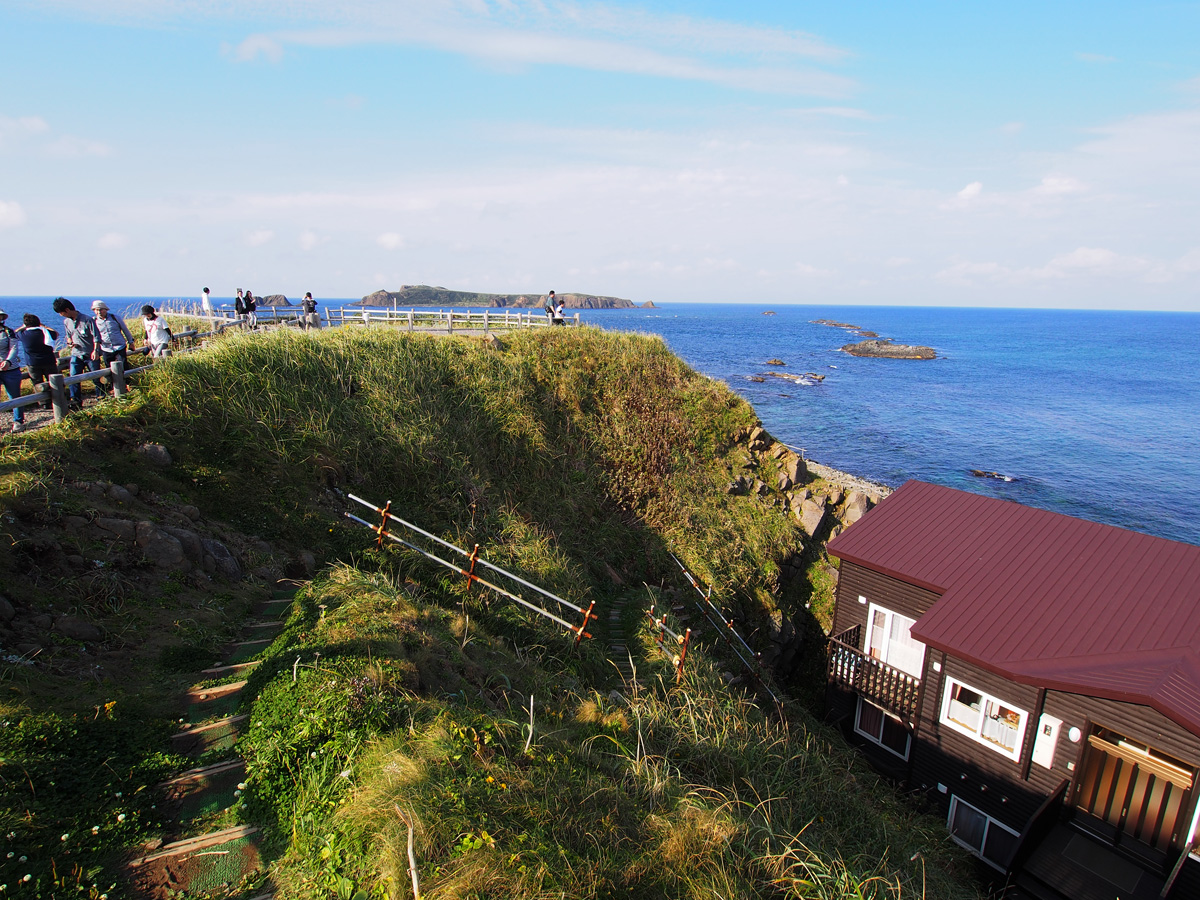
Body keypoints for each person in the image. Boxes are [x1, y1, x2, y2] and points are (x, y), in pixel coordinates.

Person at [52, 297, 101, 409]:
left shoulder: (87, 320)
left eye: (61, 312)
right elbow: (69, 336)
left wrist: (96, 350)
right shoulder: (66, 322)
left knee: (96, 376)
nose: (61, 315)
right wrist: (70, 343)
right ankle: (76, 401)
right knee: (73, 378)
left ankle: (101, 397)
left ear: (67, 310)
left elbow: (96, 337)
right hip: (76, 353)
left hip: (90, 353)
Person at [15, 314, 59, 411]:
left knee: (37, 383)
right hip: (49, 361)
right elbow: (56, 333)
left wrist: (23, 327)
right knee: (54, 382)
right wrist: (43, 326)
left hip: (33, 363)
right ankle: (58, 399)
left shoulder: (23, 334)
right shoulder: (46, 333)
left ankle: (44, 403)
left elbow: (14, 333)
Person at [92, 300, 135, 394]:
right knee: (110, 368)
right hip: (106, 348)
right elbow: (94, 336)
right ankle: (115, 387)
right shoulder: (94, 321)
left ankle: (128, 384)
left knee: (123, 365)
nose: (99, 312)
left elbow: (125, 329)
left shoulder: (115, 318)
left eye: (101, 309)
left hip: (119, 345)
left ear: (106, 309)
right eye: (96, 310)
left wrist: (130, 341)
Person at [0, 310, 25, 432]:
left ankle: (18, 421)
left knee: (14, 396)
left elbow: (14, 348)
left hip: (11, 369)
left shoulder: (8, 332)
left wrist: (8, 361)